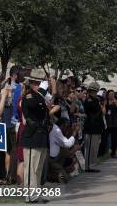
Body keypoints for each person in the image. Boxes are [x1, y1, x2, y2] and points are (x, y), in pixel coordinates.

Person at [20, 68, 49, 204]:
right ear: (31, 83)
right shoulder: (29, 96)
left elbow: (44, 112)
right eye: (36, 83)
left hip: (41, 136)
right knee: (31, 168)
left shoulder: (38, 96)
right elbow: (33, 106)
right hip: (32, 136)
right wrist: (41, 92)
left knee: (38, 168)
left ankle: (36, 193)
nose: (38, 85)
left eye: (39, 83)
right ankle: (30, 195)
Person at [48, 118, 79, 183]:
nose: (67, 129)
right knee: (65, 179)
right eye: (67, 126)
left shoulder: (58, 131)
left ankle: (60, 173)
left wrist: (72, 130)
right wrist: (75, 132)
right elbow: (67, 144)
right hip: (51, 160)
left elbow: (67, 139)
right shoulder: (57, 131)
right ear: (62, 126)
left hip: (54, 158)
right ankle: (50, 177)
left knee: (66, 173)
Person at [82, 82, 104, 173]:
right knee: (90, 147)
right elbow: (92, 111)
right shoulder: (89, 100)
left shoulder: (96, 100)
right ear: (90, 91)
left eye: (96, 91)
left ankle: (93, 165)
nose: (95, 93)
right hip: (91, 126)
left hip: (96, 126)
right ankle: (88, 166)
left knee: (95, 147)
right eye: (94, 91)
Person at [104, 90, 117, 158]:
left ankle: (113, 153)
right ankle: (104, 151)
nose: (111, 95)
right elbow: (104, 111)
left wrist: (116, 105)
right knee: (104, 138)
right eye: (110, 94)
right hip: (107, 123)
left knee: (115, 139)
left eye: (112, 94)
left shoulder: (116, 101)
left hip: (115, 123)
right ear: (107, 95)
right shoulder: (105, 102)